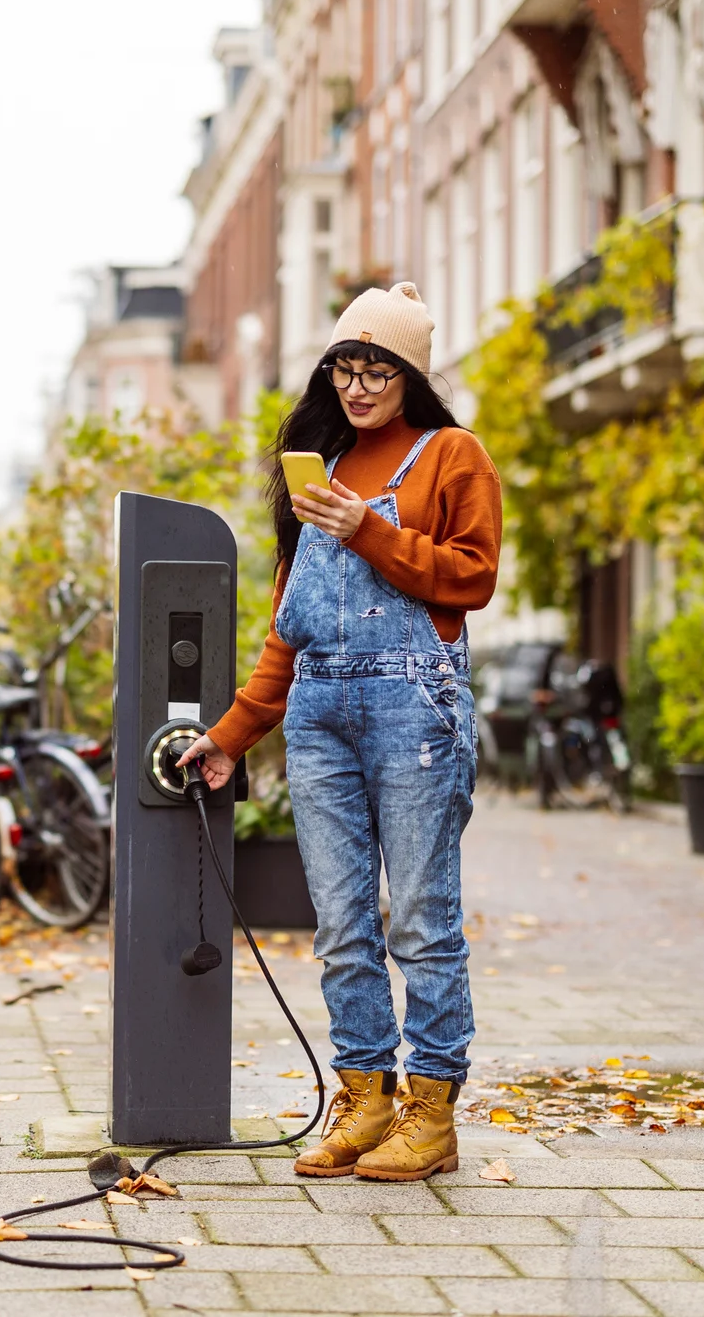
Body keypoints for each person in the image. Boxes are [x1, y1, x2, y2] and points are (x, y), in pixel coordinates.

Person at [177, 281, 500, 1182]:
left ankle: (431, 1115)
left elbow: (472, 577)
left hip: (413, 711)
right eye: (344, 369)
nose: (357, 388)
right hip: (318, 715)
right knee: (341, 926)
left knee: (422, 922)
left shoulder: (452, 456)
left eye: (376, 371)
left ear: (410, 376)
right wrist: (234, 734)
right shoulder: (315, 467)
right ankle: (365, 1100)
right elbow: (293, 623)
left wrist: (367, 531)